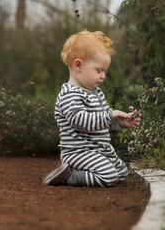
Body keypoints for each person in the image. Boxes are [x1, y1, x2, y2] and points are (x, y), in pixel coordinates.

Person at [43, 30, 141, 187]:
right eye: (99, 70)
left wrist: (122, 123)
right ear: (78, 65)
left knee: (121, 173)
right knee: (108, 176)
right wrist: (109, 116)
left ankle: (85, 171)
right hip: (79, 152)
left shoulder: (96, 93)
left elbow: (104, 120)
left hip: (100, 149)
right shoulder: (70, 94)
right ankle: (69, 175)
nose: (103, 76)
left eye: (105, 71)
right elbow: (80, 121)